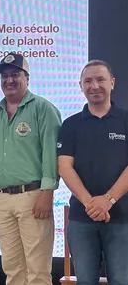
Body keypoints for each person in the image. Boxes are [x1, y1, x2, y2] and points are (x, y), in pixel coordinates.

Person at [0, 53, 61, 285]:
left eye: (15, 74)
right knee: (12, 269)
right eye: (5, 76)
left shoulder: (43, 108)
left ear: (27, 77)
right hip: (2, 199)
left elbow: (51, 154)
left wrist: (47, 192)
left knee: (37, 270)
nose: (9, 80)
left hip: (33, 196)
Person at [58, 60, 128, 284]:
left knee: (121, 280)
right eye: (88, 81)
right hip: (81, 219)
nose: (94, 85)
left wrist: (108, 200)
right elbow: (64, 168)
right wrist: (91, 204)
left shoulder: (126, 121)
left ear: (112, 83)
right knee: (85, 281)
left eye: (100, 79)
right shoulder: (70, 125)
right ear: (80, 86)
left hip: (122, 220)